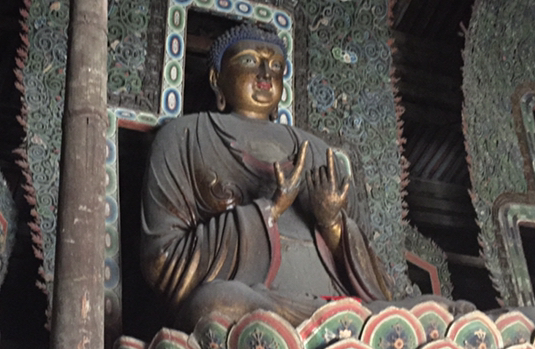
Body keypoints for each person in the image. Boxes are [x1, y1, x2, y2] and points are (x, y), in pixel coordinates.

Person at [140, 23, 394, 329]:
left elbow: (374, 275)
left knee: (446, 311)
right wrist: (269, 210)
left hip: (341, 309)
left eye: (276, 66)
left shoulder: (316, 150)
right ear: (216, 78)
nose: (265, 74)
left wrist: (332, 223)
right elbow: (161, 261)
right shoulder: (184, 136)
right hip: (255, 306)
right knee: (217, 306)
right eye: (249, 61)